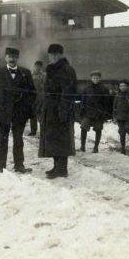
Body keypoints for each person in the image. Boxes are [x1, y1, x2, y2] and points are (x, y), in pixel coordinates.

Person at [0, 47, 36, 173]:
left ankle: (19, 165)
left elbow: (32, 93)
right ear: (5, 58)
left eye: (14, 57)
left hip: (20, 114)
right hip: (2, 113)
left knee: (18, 140)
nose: (12, 59)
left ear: (17, 58)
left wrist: (28, 111)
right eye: (9, 56)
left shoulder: (25, 73)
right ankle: (0, 166)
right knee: (2, 140)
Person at [38, 44, 77, 179]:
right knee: (53, 139)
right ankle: (56, 166)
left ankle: (62, 169)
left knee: (62, 139)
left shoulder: (67, 70)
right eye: (51, 54)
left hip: (61, 109)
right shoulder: (51, 69)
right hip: (51, 109)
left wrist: (63, 110)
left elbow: (68, 92)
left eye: (56, 54)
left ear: (61, 54)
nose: (53, 56)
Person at [79, 70, 112, 153]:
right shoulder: (86, 89)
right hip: (88, 112)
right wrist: (82, 111)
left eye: (97, 78)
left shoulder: (104, 89)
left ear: (100, 79)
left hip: (99, 113)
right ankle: (82, 146)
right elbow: (83, 101)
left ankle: (96, 147)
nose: (95, 79)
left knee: (98, 129)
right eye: (94, 78)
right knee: (83, 128)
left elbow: (107, 103)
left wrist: (105, 113)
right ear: (91, 78)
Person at [113, 81, 129, 154]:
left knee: (126, 129)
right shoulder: (117, 96)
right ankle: (123, 148)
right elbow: (114, 107)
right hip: (120, 117)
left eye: (124, 86)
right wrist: (114, 116)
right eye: (121, 86)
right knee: (122, 132)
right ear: (119, 87)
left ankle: (126, 135)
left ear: (127, 87)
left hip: (128, 117)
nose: (122, 87)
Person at [28, 60, 46, 137]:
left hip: (41, 97)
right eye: (36, 66)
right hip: (32, 97)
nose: (38, 68)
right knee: (33, 114)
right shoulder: (31, 75)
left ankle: (43, 131)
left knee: (41, 114)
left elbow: (46, 86)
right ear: (34, 66)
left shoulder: (44, 76)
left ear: (41, 67)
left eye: (39, 67)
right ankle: (33, 130)